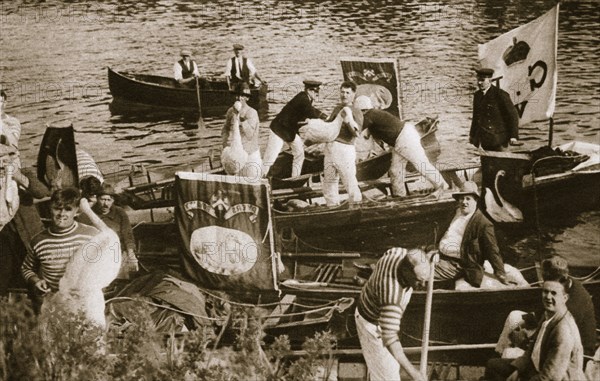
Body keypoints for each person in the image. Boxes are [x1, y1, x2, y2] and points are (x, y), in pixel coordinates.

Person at [495, 255, 597, 359]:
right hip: (554, 337)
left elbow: (553, 333)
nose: (547, 287)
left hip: (573, 353)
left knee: (509, 353)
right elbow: (543, 314)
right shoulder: (563, 286)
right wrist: (521, 326)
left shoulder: (575, 302)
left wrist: (525, 340)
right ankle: (500, 353)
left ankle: (507, 363)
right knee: (515, 316)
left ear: (563, 279)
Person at [484, 276, 585, 381]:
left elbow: (550, 377)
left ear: (565, 298)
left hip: (558, 378)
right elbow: (531, 350)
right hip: (539, 368)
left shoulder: (563, 332)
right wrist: (518, 370)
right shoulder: (548, 316)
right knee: (493, 366)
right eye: (545, 291)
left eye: (554, 293)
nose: (548, 297)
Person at [355, 247, 432, 381]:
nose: (423, 285)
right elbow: (390, 339)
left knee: (386, 368)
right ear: (406, 271)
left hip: (375, 305)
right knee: (388, 377)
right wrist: (415, 375)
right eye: (419, 281)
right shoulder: (391, 296)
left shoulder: (398, 253)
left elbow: (418, 255)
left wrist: (431, 255)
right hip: (372, 326)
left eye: (425, 280)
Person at [354, 95, 448, 198]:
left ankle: (442, 186)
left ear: (360, 109)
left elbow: (356, 131)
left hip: (405, 138)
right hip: (403, 137)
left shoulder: (369, 115)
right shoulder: (374, 114)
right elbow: (375, 135)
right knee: (395, 170)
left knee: (421, 164)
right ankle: (399, 195)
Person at [21, 188, 100, 308]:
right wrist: (36, 281)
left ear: (77, 211)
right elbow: (26, 268)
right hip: (54, 303)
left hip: (86, 303)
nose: (62, 214)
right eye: (57, 208)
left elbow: (107, 266)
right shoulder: (39, 240)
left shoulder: (91, 235)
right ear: (50, 208)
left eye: (68, 209)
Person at [433, 181, 508, 287]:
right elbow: (441, 233)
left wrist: (500, 273)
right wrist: (433, 250)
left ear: (476, 200)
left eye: (468, 198)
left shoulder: (483, 223)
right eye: (461, 198)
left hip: (457, 264)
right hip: (440, 256)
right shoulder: (455, 213)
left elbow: (492, 250)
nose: (464, 202)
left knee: (422, 272)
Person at [262, 80, 327, 178]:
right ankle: (260, 179)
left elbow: (312, 110)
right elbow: (312, 114)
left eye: (317, 92)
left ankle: (295, 178)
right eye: (315, 91)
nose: (317, 94)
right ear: (308, 90)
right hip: (278, 130)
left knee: (299, 153)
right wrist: (327, 121)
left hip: (289, 130)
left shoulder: (305, 97)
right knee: (270, 157)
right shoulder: (303, 99)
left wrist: (324, 116)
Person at [322, 81, 363, 206]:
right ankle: (332, 206)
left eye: (347, 93)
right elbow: (327, 126)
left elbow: (357, 134)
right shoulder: (337, 108)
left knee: (349, 180)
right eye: (342, 92)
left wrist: (348, 123)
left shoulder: (356, 112)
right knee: (329, 181)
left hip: (344, 149)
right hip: (330, 147)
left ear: (353, 95)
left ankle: (357, 205)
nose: (344, 95)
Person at [93, 183, 138, 278]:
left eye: (109, 200)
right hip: (97, 257)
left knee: (120, 284)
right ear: (97, 199)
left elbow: (127, 234)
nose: (106, 204)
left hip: (118, 254)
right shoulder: (91, 214)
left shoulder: (119, 212)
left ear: (113, 200)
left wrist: (131, 254)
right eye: (103, 199)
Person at [469, 68, 519, 151]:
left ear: (490, 80)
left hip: (499, 139)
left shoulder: (500, 94)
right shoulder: (477, 95)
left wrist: (513, 136)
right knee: (485, 162)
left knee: (500, 162)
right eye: (478, 80)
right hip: (483, 139)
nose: (479, 83)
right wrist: (472, 135)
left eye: (482, 80)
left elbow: (513, 115)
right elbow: (475, 117)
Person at [221, 82, 261, 179]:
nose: (239, 98)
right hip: (236, 156)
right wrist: (225, 143)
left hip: (250, 155)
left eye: (243, 96)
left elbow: (250, 134)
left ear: (247, 98)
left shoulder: (252, 113)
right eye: (237, 95)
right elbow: (225, 129)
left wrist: (239, 118)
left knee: (253, 182)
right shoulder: (230, 111)